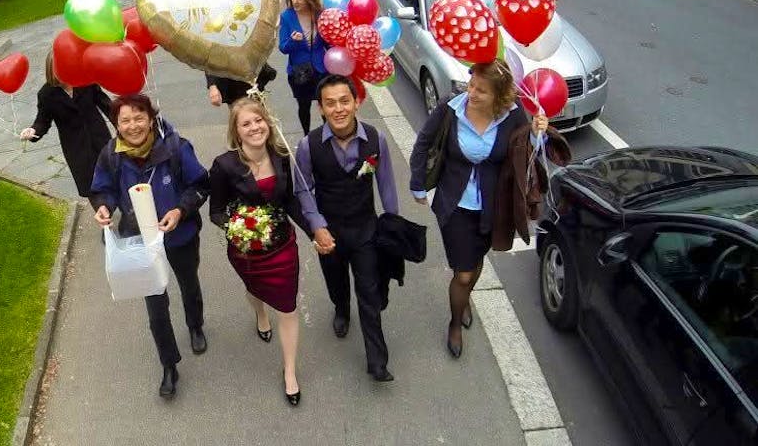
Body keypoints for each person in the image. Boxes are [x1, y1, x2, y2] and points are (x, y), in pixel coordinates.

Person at [408, 59, 549, 359]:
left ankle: (465, 297)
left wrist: (537, 132)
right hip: (454, 204)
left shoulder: (512, 116)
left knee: (475, 259)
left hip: (493, 206)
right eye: (471, 84)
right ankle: (455, 323)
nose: (471, 92)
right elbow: (423, 143)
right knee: (462, 273)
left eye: (481, 90)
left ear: (499, 95)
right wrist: (418, 182)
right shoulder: (451, 107)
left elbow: (526, 151)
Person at [91, 94, 211, 398]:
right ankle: (169, 365)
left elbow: (201, 185)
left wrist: (180, 210)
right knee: (156, 306)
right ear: (116, 123)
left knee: (188, 284)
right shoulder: (111, 155)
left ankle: (195, 325)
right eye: (125, 120)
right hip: (141, 243)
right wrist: (103, 207)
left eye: (138, 118)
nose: (133, 126)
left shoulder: (174, 147)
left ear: (151, 118)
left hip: (179, 234)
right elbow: (102, 188)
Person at [294, 74, 399, 382]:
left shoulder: (375, 138)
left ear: (356, 102)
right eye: (330, 103)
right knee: (336, 282)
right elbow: (303, 190)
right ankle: (341, 309)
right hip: (330, 232)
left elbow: (387, 185)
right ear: (321, 109)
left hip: (366, 229)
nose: (338, 109)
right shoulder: (307, 145)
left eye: (344, 101)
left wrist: (392, 225)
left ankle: (377, 361)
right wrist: (317, 227)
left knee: (369, 292)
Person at [209, 99, 308, 406]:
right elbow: (215, 212)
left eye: (258, 121)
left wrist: (314, 230)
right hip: (246, 252)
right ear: (236, 132)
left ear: (267, 122)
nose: (255, 128)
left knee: (288, 307)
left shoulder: (281, 156)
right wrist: (239, 226)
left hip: (282, 246)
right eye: (246, 124)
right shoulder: (224, 165)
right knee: (255, 292)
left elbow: (290, 201)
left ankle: (289, 370)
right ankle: (260, 313)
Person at [20, 53, 113, 198]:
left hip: (99, 137)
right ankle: (103, 213)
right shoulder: (46, 94)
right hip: (75, 147)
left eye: (65, 67)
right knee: (90, 184)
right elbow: (42, 120)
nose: (63, 72)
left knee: (113, 173)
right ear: (50, 70)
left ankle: (125, 207)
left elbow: (106, 104)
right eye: (58, 69)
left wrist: (122, 122)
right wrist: (33, 130)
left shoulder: (85, 80)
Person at [278, 0, 328, 133]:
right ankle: (307, 136)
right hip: (300, 71)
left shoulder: (320, 14)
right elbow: (283, 48)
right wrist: (293, 40)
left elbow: (328, 40)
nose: (295, 2)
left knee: (326, 103)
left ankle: (330, 132)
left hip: (322, 68)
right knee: (304, 106)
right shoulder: (287, 17)